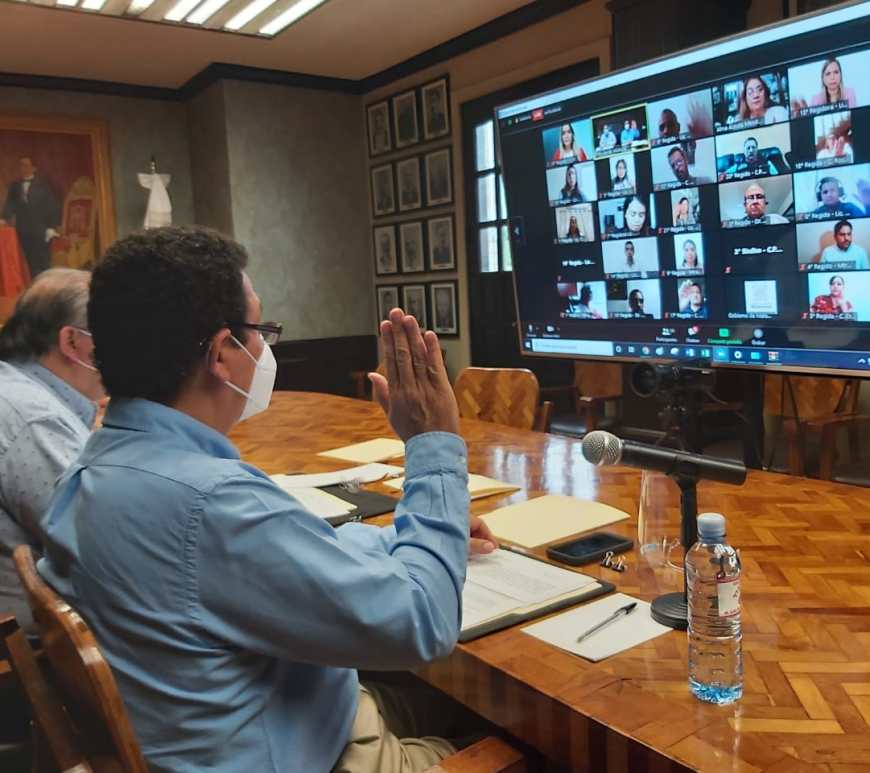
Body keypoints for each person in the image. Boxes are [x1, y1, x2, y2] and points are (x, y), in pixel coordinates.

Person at [38, 226, 497, 772]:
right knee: (538, 741)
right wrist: (432, 442)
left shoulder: (93, 467)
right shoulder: (211, 503)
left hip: (285, 712)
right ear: (221, 354)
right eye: (260, 331)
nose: (264, 349)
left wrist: (412, 533)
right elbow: (425, 620)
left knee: (461, 706)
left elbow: (280, 556)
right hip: (307, 748)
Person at [0, 268, 103, 634]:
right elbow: (102, 548)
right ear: (72, 341)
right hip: (36, 651)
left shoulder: (14, 385)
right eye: (114, 333)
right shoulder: (34, 418)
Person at [0, 156, 62, 278]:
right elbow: (10, 204)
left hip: (41, 229)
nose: (23, 168)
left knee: (43, 260)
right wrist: (4, 219)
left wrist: (51, 227)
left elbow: (52, 207)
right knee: (29, 261)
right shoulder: (15, 186)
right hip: (23, 229)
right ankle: (34, 284)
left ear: (34, 168)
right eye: (21, 165)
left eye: (26, 165)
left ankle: (45, 284)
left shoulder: (43, 186)